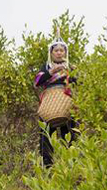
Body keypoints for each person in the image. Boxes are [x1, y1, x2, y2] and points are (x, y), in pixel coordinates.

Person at [35, 39, 78, 167]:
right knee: (46, 133)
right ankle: (47, 164)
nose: (59, 53)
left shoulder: (70, 66)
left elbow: (78, 82)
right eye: (56, 50)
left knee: (69, 131)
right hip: (49, 102)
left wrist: (73, 73)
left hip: (65, 101)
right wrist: (53, 71)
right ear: (51, 52)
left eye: (61, 50)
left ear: (65, 52)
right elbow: (38, 81)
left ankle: (71, 162)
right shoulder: (47, 66)